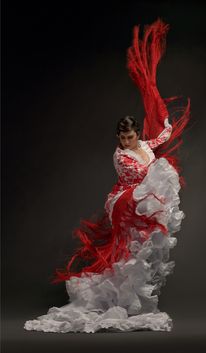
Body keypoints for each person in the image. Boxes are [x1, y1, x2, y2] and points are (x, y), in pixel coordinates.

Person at [24, 18, 190, 333]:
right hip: (125, 200)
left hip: (139, 197)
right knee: (132, 246)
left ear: (135, 135)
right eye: (122, 138)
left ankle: (126, 299)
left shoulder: (141, 144)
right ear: (118, 138)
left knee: (134, 252)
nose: (126, 142)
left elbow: (155, 142)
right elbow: (143, 173)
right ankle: (117, 299)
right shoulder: (122, 157)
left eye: (130, 138)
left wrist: (164, 122)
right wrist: (157, 176)